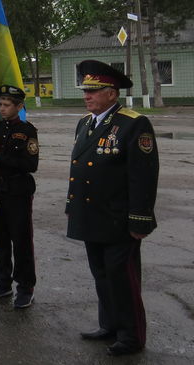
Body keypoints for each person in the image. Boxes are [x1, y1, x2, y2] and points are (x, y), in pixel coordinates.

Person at [66, 60, 158, 357]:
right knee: (101, 275)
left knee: (122, 278)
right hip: (91, 216)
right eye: (85, 90)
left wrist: (140, 219)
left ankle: (131, 335)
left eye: (94, 91)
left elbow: (143, 176)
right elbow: (78, 167)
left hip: (119, 219)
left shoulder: (134, 123)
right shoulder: (85, 123)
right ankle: (110, 325)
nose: (87, 96)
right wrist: (72, 205)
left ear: (112, 93)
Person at [0, 85, 39, 308]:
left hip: (18, 193)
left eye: (7, 105)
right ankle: (2, 283)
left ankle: (25, 287)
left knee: (21, 241)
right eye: (0, 104)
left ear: (19, 106)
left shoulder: (27, 131)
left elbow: (31, 164)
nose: (2, 109)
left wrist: (0, 158)